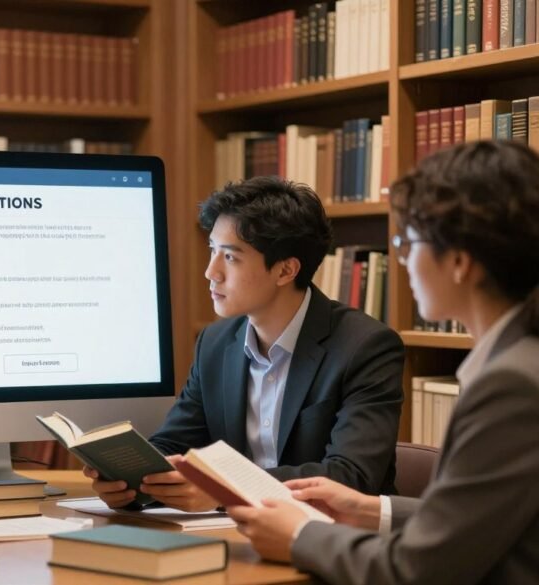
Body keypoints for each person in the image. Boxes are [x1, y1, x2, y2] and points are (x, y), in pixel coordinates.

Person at [227, 140, 539, 584]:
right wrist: (375, 510)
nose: (402, 259)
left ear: (459, 261)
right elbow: (480, 519)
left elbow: (419, 569)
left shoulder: (511, 384)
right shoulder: (520, 362)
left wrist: (300, 535)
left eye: (408, 241)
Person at [87, 176, 405, 511]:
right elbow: (174, 443)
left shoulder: (366, 347)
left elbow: (350, 476)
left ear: (285, 270)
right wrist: (132, 480)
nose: (211, 272)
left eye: (230, 257)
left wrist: (226, 489)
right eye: (212, 250)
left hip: (328, 534)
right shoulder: (215, 343)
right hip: (235, 530)